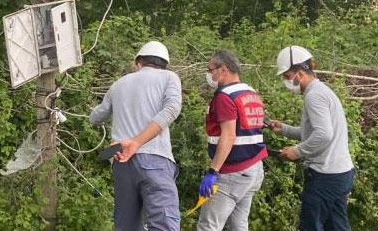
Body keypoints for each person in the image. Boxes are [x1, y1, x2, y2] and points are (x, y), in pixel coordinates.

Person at [89, 41, 182, 231]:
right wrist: (137, 142)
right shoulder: (169, 77)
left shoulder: (118, 84)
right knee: (164, 224)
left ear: (138, 62)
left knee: (126, 226)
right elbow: (172, 109)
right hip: (155, 159)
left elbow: (95, 118)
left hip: (122, 163)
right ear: (164, 64)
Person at [267, 45, 355, 231]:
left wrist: (297, 151)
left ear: (299, 73)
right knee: (337, 226)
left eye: (287, 76)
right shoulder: (323, 91)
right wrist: (284, 129)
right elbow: (315, 131)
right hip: (341, 173)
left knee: (310, 226)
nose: (286, 81)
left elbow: (323, 135)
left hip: (325, 176)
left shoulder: (314, 95)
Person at [197, 50, 266, 231]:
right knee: (239, 225)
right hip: (254, 169)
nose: (209, 74)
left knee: (209, 226)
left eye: (211, 69)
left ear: (224, 69)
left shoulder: (225, 96)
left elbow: (228, 136)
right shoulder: (250, 93)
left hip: (232, 172)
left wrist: (213, 171)